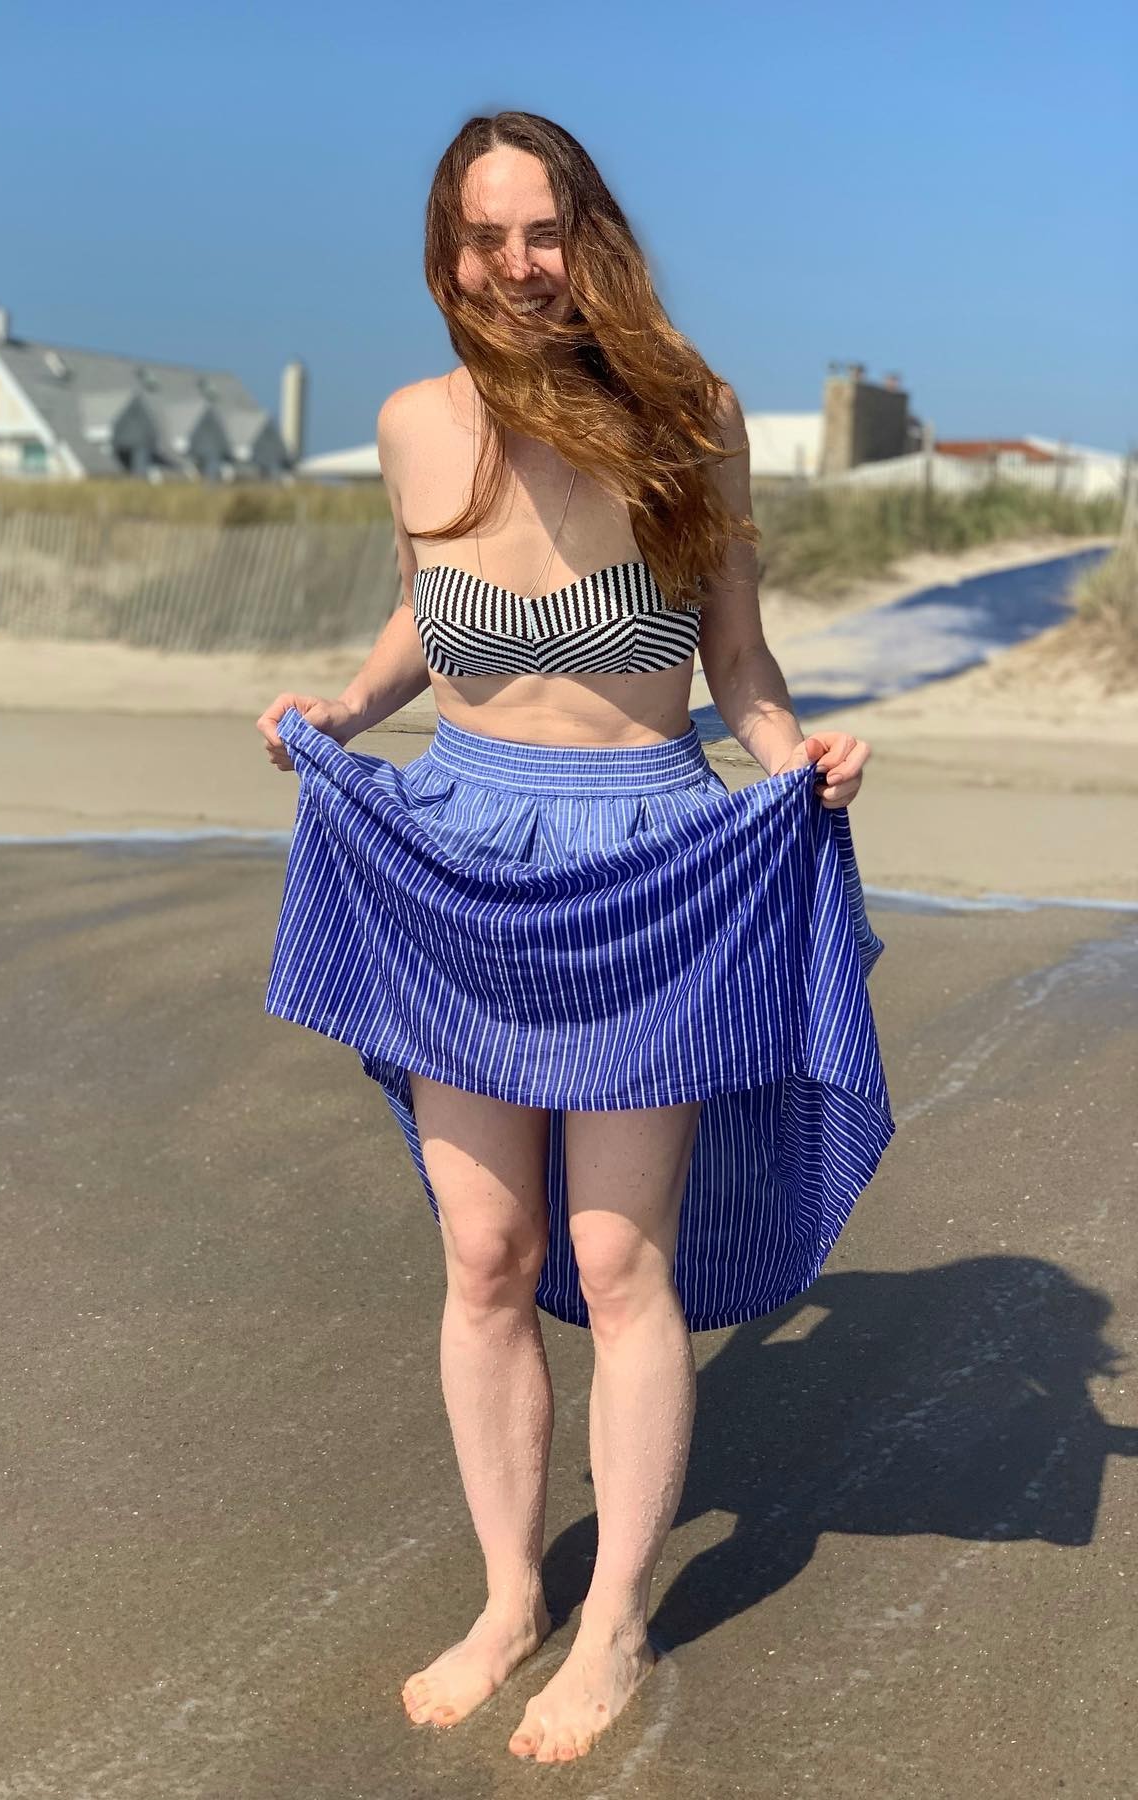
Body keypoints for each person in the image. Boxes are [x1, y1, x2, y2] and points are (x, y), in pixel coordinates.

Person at [256, 112, 893, 1766]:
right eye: (487, 238)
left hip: (644, 865)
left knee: (617, 1263)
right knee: (485, 1254)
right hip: (458, 852)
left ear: (589, 236)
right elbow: (425, 617)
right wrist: (345, 709)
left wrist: (796, 759)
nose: (518, 267)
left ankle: (611, 1621)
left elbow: (737, 659)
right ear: (449, 253)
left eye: (544, 232)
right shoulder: (414, 424)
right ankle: (506, 1599)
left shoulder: (692, 418)